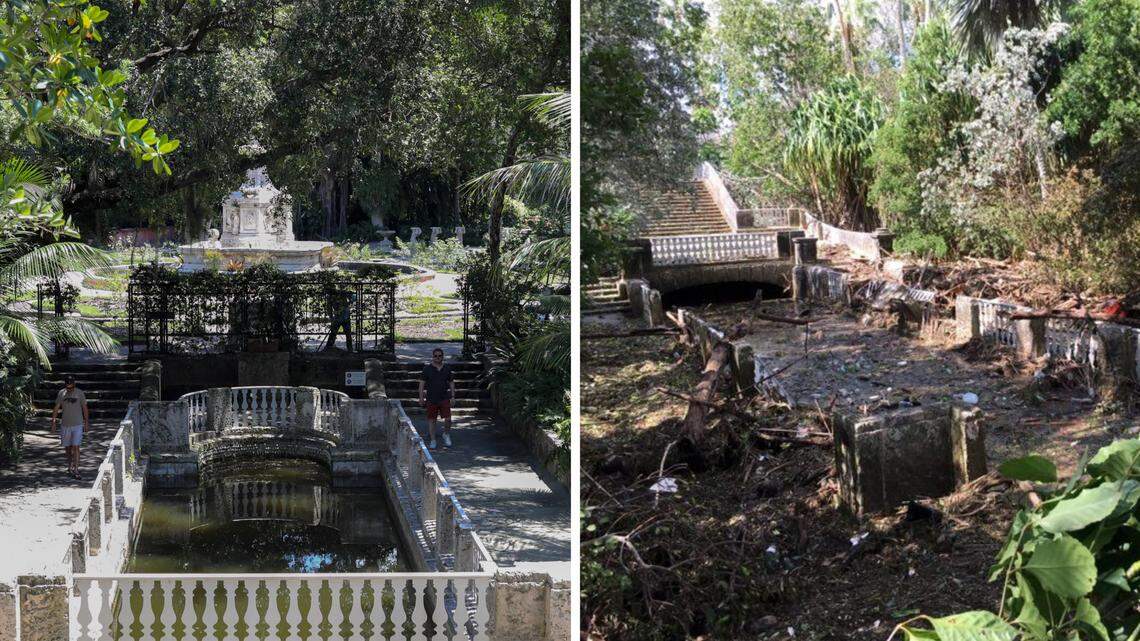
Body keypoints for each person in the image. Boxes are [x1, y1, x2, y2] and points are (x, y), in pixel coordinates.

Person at [50, 375, 89, 479]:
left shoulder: (80, 393)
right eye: (68, 388)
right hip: (65, 424)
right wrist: (53, 421)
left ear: (74, 385)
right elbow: (56, 408)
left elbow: (85, 408)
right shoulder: (61, 393)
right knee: (67, 447)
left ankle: (76, 469)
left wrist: (86, 422)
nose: (69, 389)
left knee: (76, 446)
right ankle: (70, 465)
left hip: (78, 424)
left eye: (71, 387)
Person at [418, 348, 456, 449]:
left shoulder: (447, 368)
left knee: (448, 419)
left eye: (439, 356)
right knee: (432, 420)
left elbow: (451, 383)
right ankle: (433, 439)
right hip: (431, 398)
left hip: (444, 397)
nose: (437, 357)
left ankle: (446, 434)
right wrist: (421, 398)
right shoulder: (427, 369)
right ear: (433, 357)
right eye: (435, 356)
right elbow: (421, 385)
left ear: (442, 357)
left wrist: (453, 396)